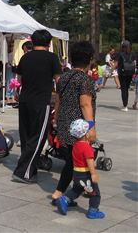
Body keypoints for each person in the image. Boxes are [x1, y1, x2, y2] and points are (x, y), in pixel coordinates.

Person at [51, 41, 97, 204]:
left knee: (75, 159)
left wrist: (56, 120)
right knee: (76, 160)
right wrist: (91, 127)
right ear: (89, 59)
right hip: (79, 127)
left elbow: (57, 101)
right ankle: (61, 193)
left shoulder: (63, 77)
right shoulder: (85, 80)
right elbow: (85, 104)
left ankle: (82, 188)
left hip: (64, 123)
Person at [13, 30, 61, 184]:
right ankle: (23, 172)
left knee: (26, 136)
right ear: (48, 43)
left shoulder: (25, 57)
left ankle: (30, 169)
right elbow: (58, 80)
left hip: (25, 100)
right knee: (38, 137)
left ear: (32, 42)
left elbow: (19, 79)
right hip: (41, 101)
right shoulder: (52, 58)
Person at [56, 119, 105, 219]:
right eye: (90, 130)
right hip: (86, 174)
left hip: (77, 174)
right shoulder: (87, 148)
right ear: (86, 134)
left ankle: (65, 199)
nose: (93, 131)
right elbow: (89, 162)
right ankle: (93, 211)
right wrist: (93, 174)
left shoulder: (75, 146)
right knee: (95, 193)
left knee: (76, 190)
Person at [117, 40, 136, 111]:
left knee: (124, 89)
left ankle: (125, 106)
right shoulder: (133, 54)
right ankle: (125, 105)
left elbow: (117, 64)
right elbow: (135, 63)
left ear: (123, 47)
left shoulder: (120, 54)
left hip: (122, 74)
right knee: (126, 89)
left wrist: (111, 71)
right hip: (130, 73)